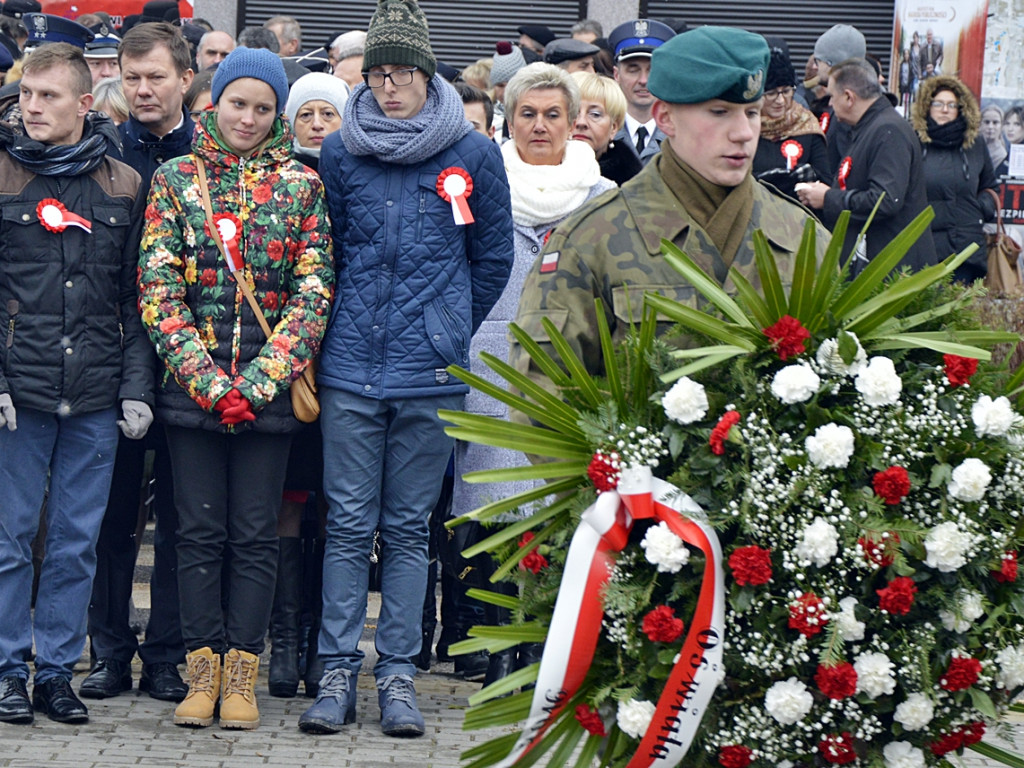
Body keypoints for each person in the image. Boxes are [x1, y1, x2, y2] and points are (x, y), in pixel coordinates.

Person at [298, 0, 513, 738]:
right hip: (351, 368)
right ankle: (335, 671)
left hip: (430, 372)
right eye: (378, 74)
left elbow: (492, 259)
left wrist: (448, 329)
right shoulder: (342, 151)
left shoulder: (472, 153)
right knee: (349, 526)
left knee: (411, 527)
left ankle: (396, 676)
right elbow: (321, 255)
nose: (389, 87)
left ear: (427, 75)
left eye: (403, 74)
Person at [137, 46, 334, 731]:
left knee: (254, 536)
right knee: (195, 534)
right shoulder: (174, 180)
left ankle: (243, 674)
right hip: (192, 399)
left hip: (268, 399)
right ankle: (201, 674)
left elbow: (312, 293)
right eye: (236, 104)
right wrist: (206, 383)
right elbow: (159, 290)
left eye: (261, 107)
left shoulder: (302, 187)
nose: (247, 118)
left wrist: (255, 382)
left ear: (276, 113)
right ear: (213, 104)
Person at [510, 26, 831, 386]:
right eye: (720, 112)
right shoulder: (591, 240)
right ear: (665, 118)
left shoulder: (802, 238)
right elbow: (542, 390)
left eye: (752, 113)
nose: (743, 132)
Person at [0, 42, 152, 726]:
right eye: (26, 95)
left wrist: (135, 388)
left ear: (84, 104)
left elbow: (135, 300)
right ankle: (9, 668)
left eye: (48, 96)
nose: (32, 107)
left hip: (93, 392)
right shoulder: (2, 176)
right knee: (8, 540)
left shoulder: (122, 184)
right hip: (19, 394)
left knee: (73, 541)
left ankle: (57, 673)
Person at [459, 61, 615, 685]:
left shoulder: (602, 198)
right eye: (528, 114)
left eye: (554, 114)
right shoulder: (474, 184)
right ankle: (492, 640)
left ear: (575, 122)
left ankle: (544, 642)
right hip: (490, 364)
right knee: (492, 509)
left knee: (558, 510)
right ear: (508, 119)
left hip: (569, 369)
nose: (541, 126)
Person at [80, 20, 197, 706]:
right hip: (110, 358)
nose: (144, 90)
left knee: (183, 521)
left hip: (187, 365)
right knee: (110, 518)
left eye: (156, 76)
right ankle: (108, 651)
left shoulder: (209, 155)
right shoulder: (98, 154)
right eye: (133, 78)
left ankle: (165, 656)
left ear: (186, 79)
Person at [266, 70, 349, 700]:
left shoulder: (352, 179)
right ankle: (284, 638)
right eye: (306, 115)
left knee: (333, 506)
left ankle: (323, 639)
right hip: (286, 365)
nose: (317, 125)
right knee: (288, 504)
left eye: (329, 114)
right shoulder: (273, 181)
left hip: (344, 365)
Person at [797, 58, 936, 276]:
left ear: (849, 97)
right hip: (880, 268)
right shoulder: (871, 127)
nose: (830, 104)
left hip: (893, 274)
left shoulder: (888, 131)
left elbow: (886, 200)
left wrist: (829, 199)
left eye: (833, 97)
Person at [912, 75, 997, 282]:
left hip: (965, 251)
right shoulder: (914, 141)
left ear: (961, 109)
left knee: (960, 311)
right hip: (924, 248)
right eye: (938, 103)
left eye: (952, 105)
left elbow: (990, 187)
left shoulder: (974, 144)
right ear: (927, 107)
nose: (945, 110)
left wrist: (979, 208)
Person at [753, 44, 829, 195]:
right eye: (771, 93)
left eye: (786, 91)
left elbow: (826, 181)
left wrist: (812, 175)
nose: (780, 100)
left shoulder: (807, 124)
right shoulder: (745, 126)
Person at [608, 19, 676, 164]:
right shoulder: (603, 132)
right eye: (633, 70)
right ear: (616, 75)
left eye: (652, 70)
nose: (643, 80)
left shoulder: (680, 135)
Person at [813, 24, 866, 177]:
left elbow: (845, 171)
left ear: (831, 63)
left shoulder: (846, 110)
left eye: (818, 61)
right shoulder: (850, 102)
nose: (815, 67)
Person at [571, 70, 640, 185]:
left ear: (613, 128)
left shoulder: (630, 187)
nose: (581, 122)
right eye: (573, 112)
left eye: (595, 114)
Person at [981, 104, 1008, 175]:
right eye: (986, 122)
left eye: (995, 122)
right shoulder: (975, 147)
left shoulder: (1001, 155)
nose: (990, 127)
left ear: (1002, 126)